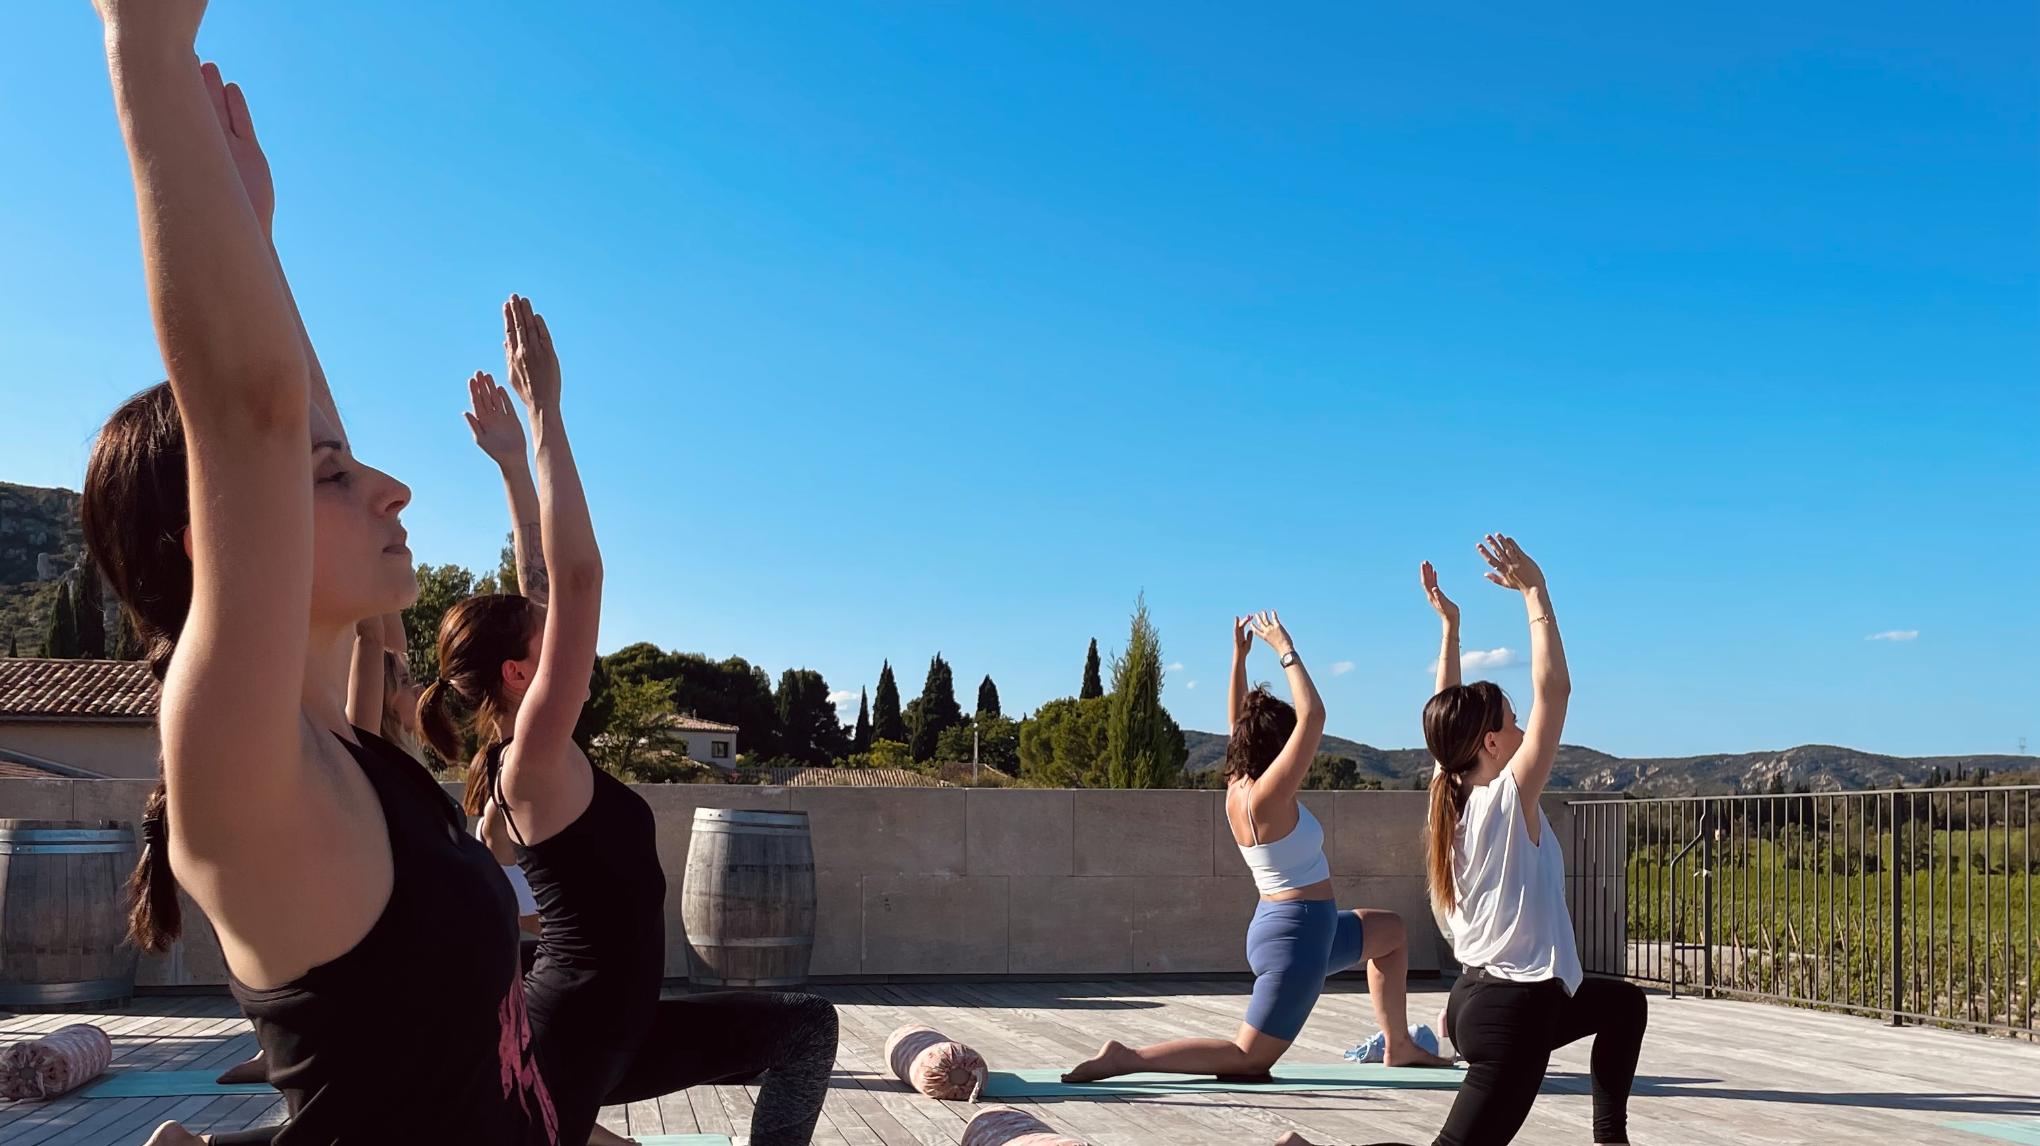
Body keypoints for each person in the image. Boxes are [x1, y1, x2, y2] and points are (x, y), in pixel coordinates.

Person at [76, 5, 557, 1141]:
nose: (390, 488)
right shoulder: (251, 773)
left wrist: (258, 236)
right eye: (337, 479)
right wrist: (142, 46)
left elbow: (285, 416)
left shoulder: (345, 750)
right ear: (218, 541)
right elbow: (255, 412)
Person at [422, 299, 838, 1146]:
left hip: (618, 1027)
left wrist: (510, 468)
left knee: (805, 1027)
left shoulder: (529, 747)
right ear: (517, 674)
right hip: (573, 1039)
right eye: (545, 645)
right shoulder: (531, 756)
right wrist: (545, 415)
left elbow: (541, 585)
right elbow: (575, 582)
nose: (568, 642)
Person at [1063, 612, 1449, 1084]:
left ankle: (1399, 1045)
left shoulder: (1238, 784)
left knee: (1390, 934)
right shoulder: (1268, 797)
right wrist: (1283, 646)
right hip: (1298, 938)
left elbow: (1237, 722)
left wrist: (1239, 658)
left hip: (1299, 926)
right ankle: (1129, 1058)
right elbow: (1315, 716)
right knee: (1249, 1059)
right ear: (1277, 746)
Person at [1419, 536, 1645, 1146]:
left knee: (1623, 1006)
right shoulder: (1504, 798)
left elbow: (1447, 713)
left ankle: (1610, 1139)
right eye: (1510, 724)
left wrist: (1452, 630)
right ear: (1491, 745)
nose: (1521, 730)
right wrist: (1535, 594)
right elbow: (1556, 694)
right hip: (1510, 1013)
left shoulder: (1451, 793)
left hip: (1478, 998)